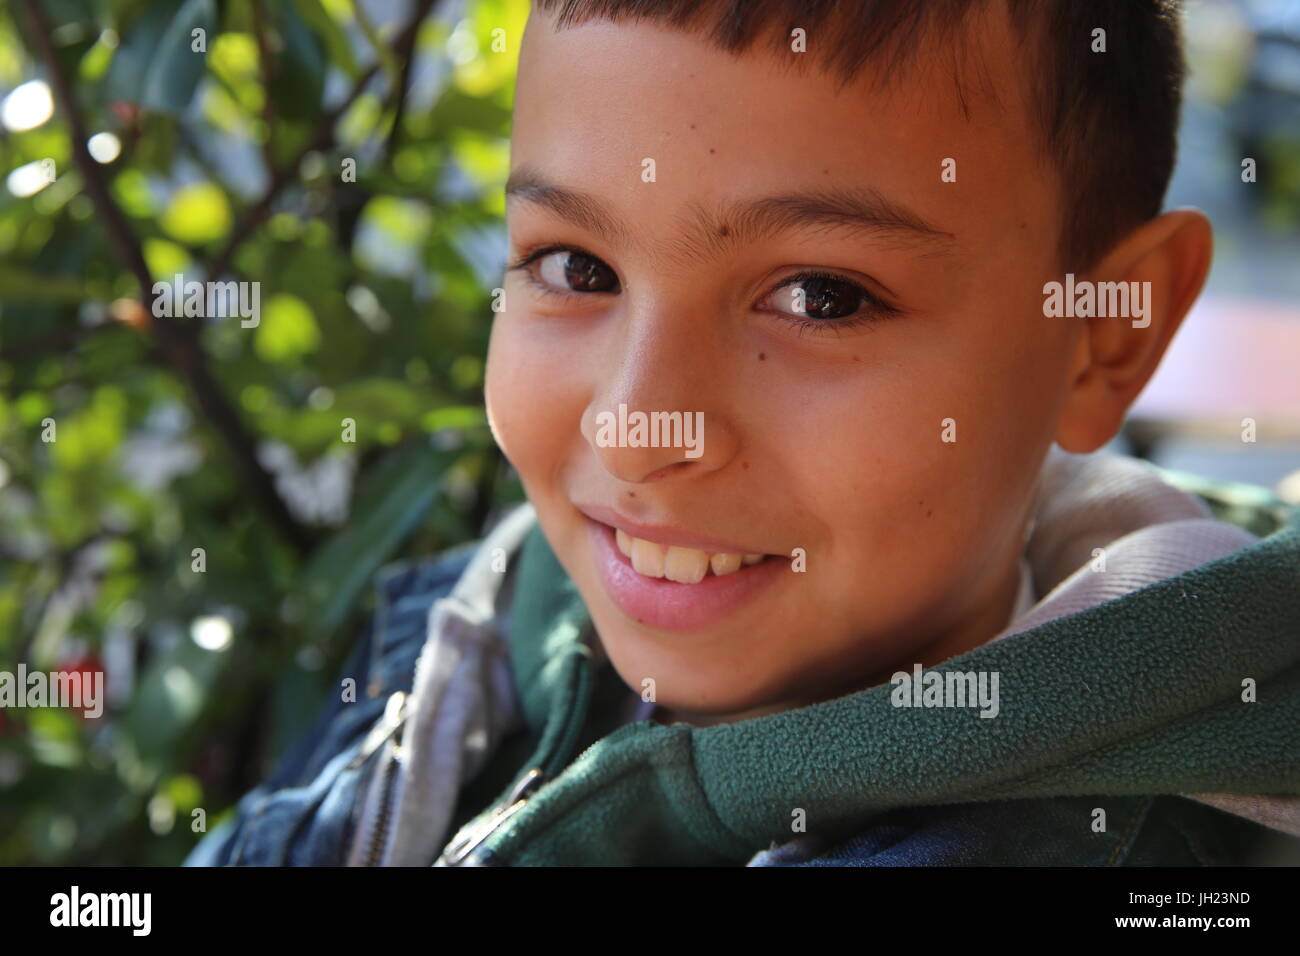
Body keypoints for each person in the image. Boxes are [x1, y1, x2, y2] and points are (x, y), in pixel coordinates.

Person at [186, 0, 1300, 866]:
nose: (633, 429)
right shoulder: (470, 645)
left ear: (1104, 331)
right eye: (576, 267)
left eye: (822, 296)